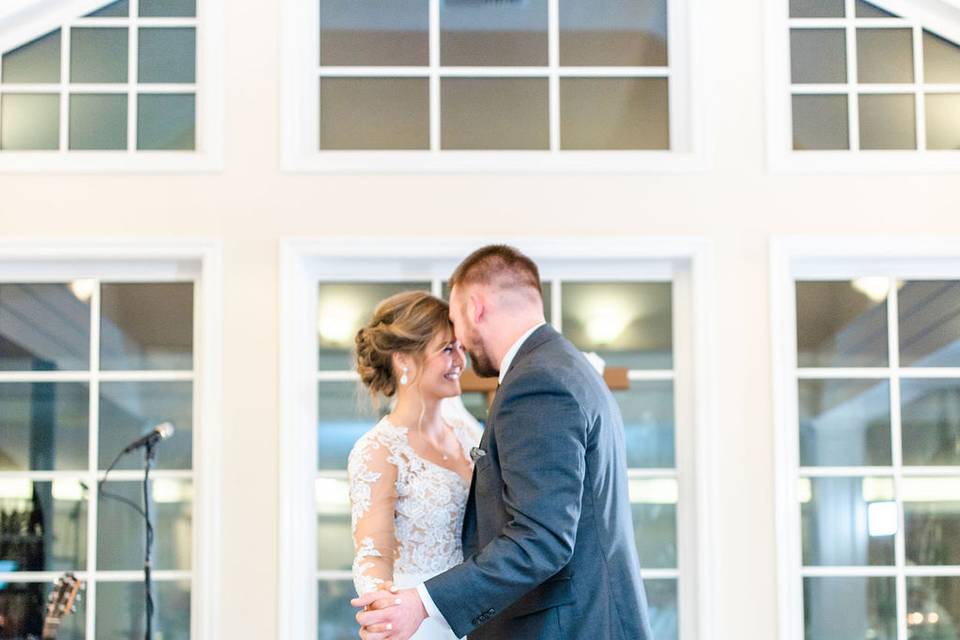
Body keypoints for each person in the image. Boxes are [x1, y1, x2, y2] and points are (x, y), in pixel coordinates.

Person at [352, 245, 653, 640]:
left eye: (456, 328)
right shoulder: (566, 366)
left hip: (557, 623)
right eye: (447, 347)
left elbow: (541, 538)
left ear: (475, 308)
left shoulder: (535, 384)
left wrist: (425, 603)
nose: (460, 349)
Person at [348, 291, 482, 640]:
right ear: (404, 360)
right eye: (446, 349)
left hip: (478, 611)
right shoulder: (378, 450)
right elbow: (372, 553)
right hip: (419, 624)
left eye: (460, 348)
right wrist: (382, 611)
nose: (459, 361)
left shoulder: (469, 432)